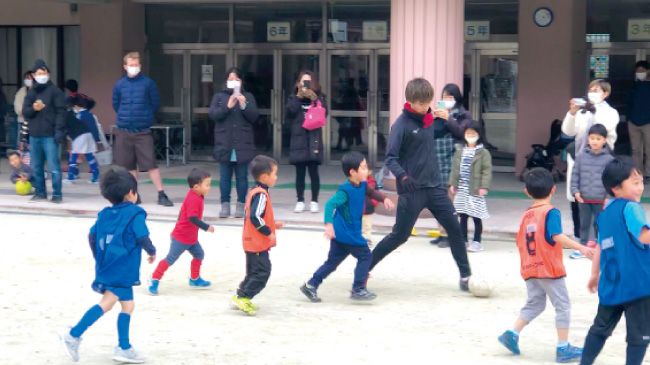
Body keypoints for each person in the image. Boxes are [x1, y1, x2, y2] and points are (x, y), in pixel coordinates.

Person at [369, 77, 472, 291]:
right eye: (422, 103)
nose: (427, 107)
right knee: (400, 236)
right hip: (412, 190)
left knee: (454, 228)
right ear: (411, 102)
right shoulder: (401, 125)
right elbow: (390, 158)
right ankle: (365, 266)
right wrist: (403, 177)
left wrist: (448, 121)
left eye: (429, 103)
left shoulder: (430, 120)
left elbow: (462, 134)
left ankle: (465, 276)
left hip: (435, 187)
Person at [59, 167, 156, 363]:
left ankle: (123, 346)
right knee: (107, 304)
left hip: (110, 266)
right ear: (131, 193)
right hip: (123, 268)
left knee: (127, 305)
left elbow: (92, 235)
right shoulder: (135, 213)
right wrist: (151, 251)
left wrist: (100, 258)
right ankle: (74, 335)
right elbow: (142, 235)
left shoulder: (105, 214)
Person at [498, 168, 593, 363]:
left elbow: (520, 241)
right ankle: (563, 347)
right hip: (548, 269)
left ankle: (512, 333)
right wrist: (581, 248)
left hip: (530, 267)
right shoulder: (551, 212)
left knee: (536, 303)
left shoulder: (527, 215)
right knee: (563, 306)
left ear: (526, 191)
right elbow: (556, 236)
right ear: (553, 190)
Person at [580, 157, 650, 365]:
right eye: (635, 183)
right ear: (616, 188)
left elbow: (601, 247)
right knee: (639, 337)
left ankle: (584, 363)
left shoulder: (605, 214)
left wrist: (594, 275)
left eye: (641, 182)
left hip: (612, 285)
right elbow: (643, 236)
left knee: (600, 329)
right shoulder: (631, 208)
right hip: (638, 284)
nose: (640, 187)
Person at [300, 152, 394, 303]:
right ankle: (358, 289)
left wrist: (384, 199)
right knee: (365, 256)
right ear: (352, 172)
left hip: (342, 234)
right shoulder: (345, 190)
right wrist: (328, 225)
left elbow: (372, 192)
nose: (367, 170)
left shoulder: (362, 185)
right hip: (347, 233)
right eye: (363, 168)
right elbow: (330, 205)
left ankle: (311, 285)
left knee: (332, 263)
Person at [112, 51, 173, 207]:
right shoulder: (119, 84)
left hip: (142, 130)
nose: (134, 67)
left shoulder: (148, 83)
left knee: (150, 163)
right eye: (131, 65)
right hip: (124, 129)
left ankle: (161, 194)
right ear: (125, 66)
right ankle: (134, 194)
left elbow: (155, 103)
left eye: (136, 65)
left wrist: (145, 117)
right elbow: (116, 104)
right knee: (129, 166)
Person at [562, 79, 619, 239]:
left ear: (605, 94)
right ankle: (579, 237)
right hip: (580, 157)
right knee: (576, 196)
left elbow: (601, 130)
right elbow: (568, 131)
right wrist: (572, 113)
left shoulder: (610, 112)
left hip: (601, 160)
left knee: (599, 201)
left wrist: (592, 110)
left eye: (597, 90)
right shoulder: (583, 110)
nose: (592, 93)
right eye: (591, 89)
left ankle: (599, 239)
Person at [231, 155, 284, 316]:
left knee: (253, 272)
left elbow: (257, 216)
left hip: (251, 241)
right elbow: (255, 216)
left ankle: (240, 295)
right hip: (257, 243)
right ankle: (244, 297)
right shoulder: (261, 194)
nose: (276, 177)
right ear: (264, 177)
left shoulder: (254, 191)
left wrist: (273, 225)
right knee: (263, 272)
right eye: (274, 174)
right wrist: (268, 232)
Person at [148, 168, 215, 295]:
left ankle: (194, 279)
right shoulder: (193, 198)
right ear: (196, 187)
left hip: (191, 238)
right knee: (170, 259)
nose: (209, 187)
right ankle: (154, 278)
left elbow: (183, 213)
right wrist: (207, 227)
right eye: (207, 185)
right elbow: (192, 218)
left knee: (199, 254)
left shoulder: (197, 195)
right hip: (181, 238)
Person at [208, 67, 259, 218]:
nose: (233, 82)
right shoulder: (219, 96)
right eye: (230, 79)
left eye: (236, 79)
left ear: (241, 81)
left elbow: (254, 117)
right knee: (224, 177)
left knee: (242, 177)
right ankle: (225, 204)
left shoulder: (248, 96)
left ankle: (241, 204)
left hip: (243, 143)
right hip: (225, 143)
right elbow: (213, 115)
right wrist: (227, 107)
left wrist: (244, 105)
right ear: (226, 81)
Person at [430, 83, 473, 248]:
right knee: (438, 198)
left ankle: (451, 235)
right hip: (437, 158)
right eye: (444, 96)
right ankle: (441, 233)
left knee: (450, 198)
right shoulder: (440, 111)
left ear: (457, 98)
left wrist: (447, 118)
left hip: (453, 158)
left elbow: (462, 133)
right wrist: (433, 117)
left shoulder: (463, 114)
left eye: (450, 97)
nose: (446, 100)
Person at [22, 59, 65, 203]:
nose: (42, 76)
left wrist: (59, 131)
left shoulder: (55, 91)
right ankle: (40, 192)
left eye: (44, 73)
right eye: (39, 73)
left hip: (50, 135)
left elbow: (61, 112)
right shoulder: (31, 92)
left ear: (48, 74)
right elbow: (25, 112)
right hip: (34, 135)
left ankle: (57, 194)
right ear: (34, 75)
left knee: (54, 167)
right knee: (36, 167)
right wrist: (34, 108)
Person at [569, 124, 614, 259]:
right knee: (584, 224)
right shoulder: (581, 157)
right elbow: (575, 175)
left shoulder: (609, 160)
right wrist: (575, 191)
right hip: (584, 198)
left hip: (601, 199)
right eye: (592, 138)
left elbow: (611, 179)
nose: (594, 141)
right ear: (588, 139)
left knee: (600, 224)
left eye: (598, 138)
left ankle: (601, 249)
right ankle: (582, 248)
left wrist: (608, 196)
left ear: (604, 140)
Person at [286, 70, 326, 214]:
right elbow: (289, 112)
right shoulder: (293, 97)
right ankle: (300, 200)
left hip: (313, 138)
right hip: (299, 138)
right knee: (300, 172)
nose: (306, 84)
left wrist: (314, 99)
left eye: (308, 81)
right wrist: (298, 96)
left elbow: (324, 113)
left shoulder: (319, 97)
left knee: (314, 171)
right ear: (298, 83)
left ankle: (314, 201)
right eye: (303, 81)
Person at [449, 121, 492, 252]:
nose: (470, 135)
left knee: (476, 216)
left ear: (479, 135)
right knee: (463, 215)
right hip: (462, 189)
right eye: (468, 133)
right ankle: (463, 240)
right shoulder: (460, 151)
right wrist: (453, 184)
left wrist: (484, 186)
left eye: (473, 133)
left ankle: (477, 241)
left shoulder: (483, 152)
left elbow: (486, 170)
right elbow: (455, 170)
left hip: (475, 190)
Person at [64, 95, 101, 184]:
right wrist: (96, 139)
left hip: (79, 137)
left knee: (74, 155)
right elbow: (94, 128)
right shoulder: (89, 114)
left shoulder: (78, 115)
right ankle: (96, 176)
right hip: (89, 136)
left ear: (77, 105)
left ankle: (71, 176)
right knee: (89, 155)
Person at [628, 60, 650, 181]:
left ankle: (648, 174)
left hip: (648, 123)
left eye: (642, 70)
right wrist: (628, 118)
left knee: (649, 149)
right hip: (633, 122)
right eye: (637, 71)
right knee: (635, 150)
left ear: (648, 71)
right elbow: (628, 103)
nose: (639, 73)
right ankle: (638, 173)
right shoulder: (633, 86)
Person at [14, 72, 33, 152]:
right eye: (26, 78)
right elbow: (17, 104)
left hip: (34, 122)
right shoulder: (21, 91)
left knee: (32, 144)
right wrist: (25, 111)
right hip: (23, 120)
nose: (28, 80)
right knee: (22, 143)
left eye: (30, 78)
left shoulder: (37, 91)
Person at [362, 167, 379, 246]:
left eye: (366, 170)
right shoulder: (355, 181)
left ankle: (367, 239)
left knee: (367, 225)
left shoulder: (372, 182)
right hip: (356, 208)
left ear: (370, 171)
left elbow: (376, 194)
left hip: (368, 208)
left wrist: (373, 203)